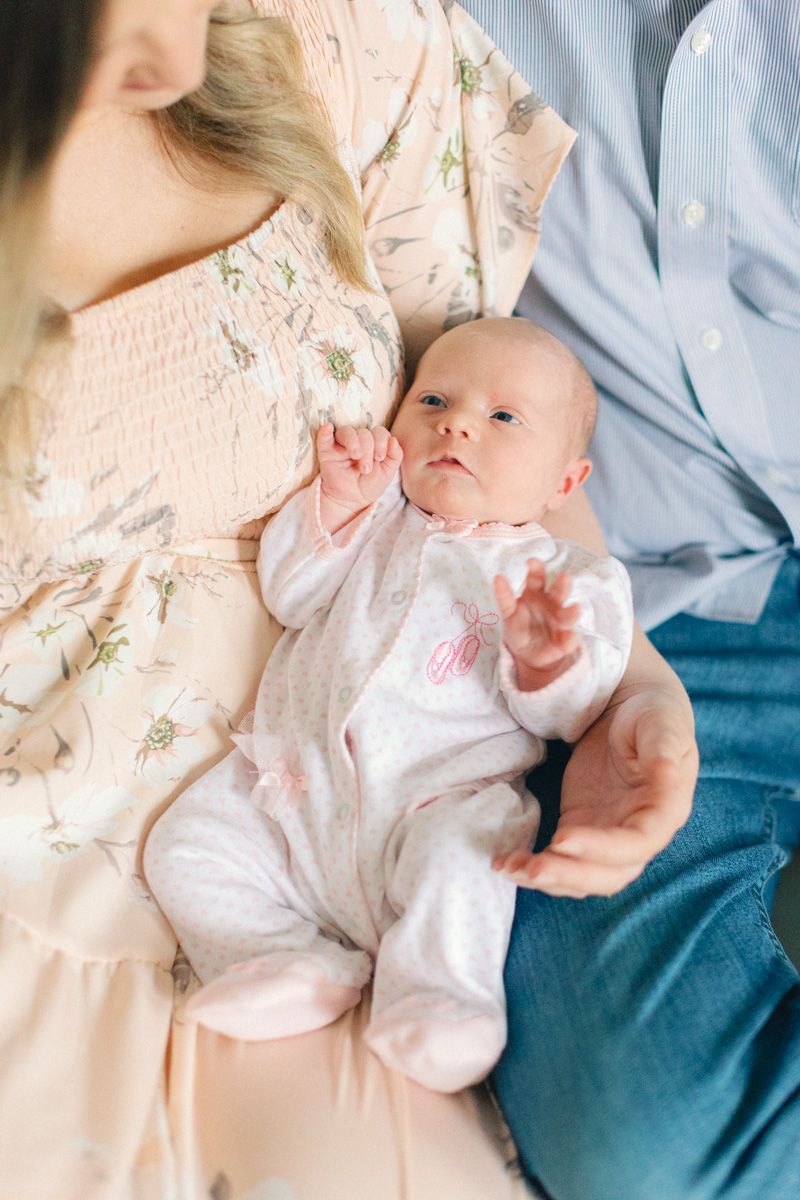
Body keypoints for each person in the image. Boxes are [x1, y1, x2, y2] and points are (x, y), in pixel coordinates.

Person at [0, 2, 697, 1198]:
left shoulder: (330, 39)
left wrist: (624, 685)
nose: (177, 55)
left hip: (393, 803)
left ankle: (434, 993)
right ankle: (272, 956)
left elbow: (499, 404)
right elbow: (312, 559)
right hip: (105, 841)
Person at [457, 3, 800, 1199]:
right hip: (655, 618)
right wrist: (621, 667)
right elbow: (457, 391)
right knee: (641, 1145)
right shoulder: (429, 33)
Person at [144, 317, 633, 1094]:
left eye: (503, 418)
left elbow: (575, 713)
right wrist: (337, 503)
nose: (458, 422)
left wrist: (546, 660)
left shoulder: (568, 577)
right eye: (433, 398)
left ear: (564, 484)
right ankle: (283, 960)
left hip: (436, 800)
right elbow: (293, 595)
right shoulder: (379, 518)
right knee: (187, 844)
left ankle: (443, 1001)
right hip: (294, 793)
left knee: (466, 866)